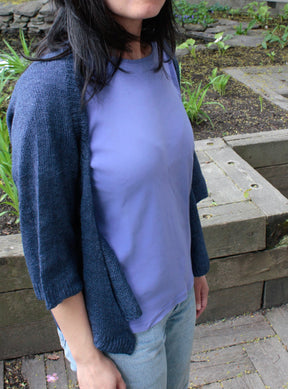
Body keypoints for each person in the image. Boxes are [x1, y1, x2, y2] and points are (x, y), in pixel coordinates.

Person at [7, 0, 210, 388]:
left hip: (180, 299)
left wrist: (195, 263)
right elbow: (47, 244)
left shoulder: (164, 60)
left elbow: (177, 179)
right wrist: (86, 357)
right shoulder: (48, 92)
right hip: (122, 334)